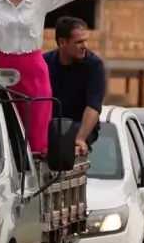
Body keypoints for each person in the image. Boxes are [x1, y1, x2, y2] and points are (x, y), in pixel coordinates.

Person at [0, 0, 122, 154]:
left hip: (34, 73)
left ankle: (37, 181)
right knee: (5, 133)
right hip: (3, 73)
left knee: (36, 138)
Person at [44, 17, 107, 154]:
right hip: (50, 124)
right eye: (79, 42)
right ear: (62, 42)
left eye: (85, 40)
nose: (84, 46)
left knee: (64, 136)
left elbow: (93, 107)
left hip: (80, 126)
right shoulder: (45, 63)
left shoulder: (94, 66)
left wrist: (80, 138)